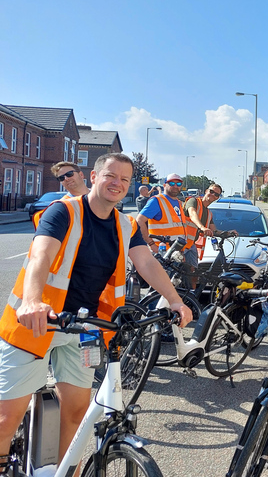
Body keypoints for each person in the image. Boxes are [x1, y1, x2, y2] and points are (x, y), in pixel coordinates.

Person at [0, 153, 192, 474]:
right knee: (6, 420)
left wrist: (175, 301)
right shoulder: (63, 212)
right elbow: (40, 255)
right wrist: (33, 301)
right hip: (35, 321)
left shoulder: (124, 224)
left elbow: (146, 262)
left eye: (124, 179)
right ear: (94, 176)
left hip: (84, 327)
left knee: (76, 415)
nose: (117, 183)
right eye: (110, 176)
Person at [136, 173, 193, 257]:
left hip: (176, 253)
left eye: (179, 184)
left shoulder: (178, 202)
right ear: (164, 185)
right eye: (172, 183)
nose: (175, 186)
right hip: (162, 252)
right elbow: (139, 220)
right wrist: (151, 244)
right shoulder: (157, 201)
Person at [184, 184, 224, 287]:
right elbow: (192, 214)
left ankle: (191, 296)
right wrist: (202, 227)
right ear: (206, 191)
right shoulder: (193, 201)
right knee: (176, 272)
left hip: (191, 245)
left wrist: (228, 233)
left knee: (193, 273)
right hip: (181, 243)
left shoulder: (209, 213)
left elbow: (213, 230)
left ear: (217, 198)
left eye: (216, 195)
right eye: (211, 191)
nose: (213, 195)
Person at [33, 162, 91, 228]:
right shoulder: (62, 207)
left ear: (81, 175)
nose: (66, 178)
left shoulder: (101, 196)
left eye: (69, 174)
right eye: (61, 178)